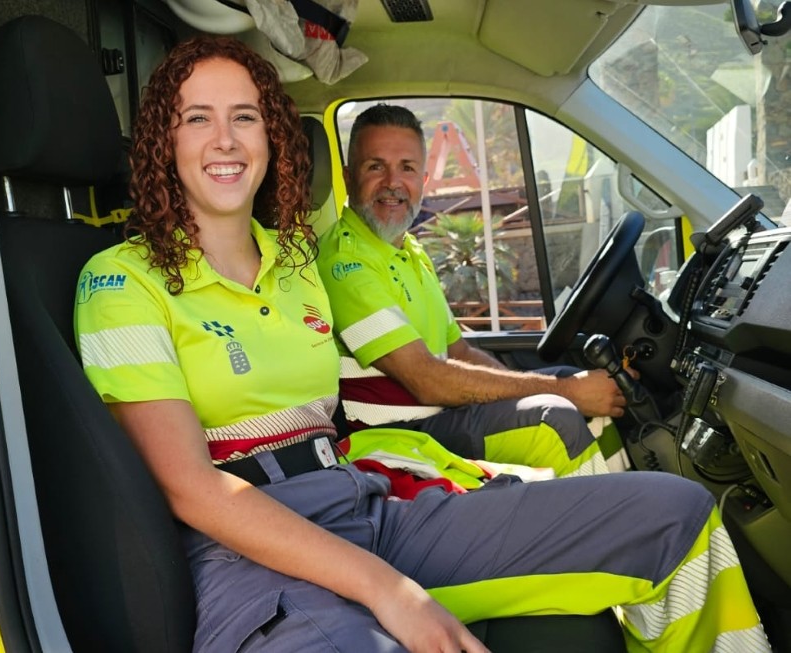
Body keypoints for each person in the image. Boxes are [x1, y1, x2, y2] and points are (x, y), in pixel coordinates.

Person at [74, 36, 769, 652]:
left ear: (272, 137)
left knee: (675, 517)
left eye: (244, 117)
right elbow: (192, 488)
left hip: (361, 502)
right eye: (197, 118)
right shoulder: (121, 282)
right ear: (163, 141)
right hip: (242, 549)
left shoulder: (296, 266)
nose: (224, 139)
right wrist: (391, 590)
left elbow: (400, 382)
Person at [317, 103, 623, 478]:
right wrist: (566, 392)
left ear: (423, 180)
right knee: (554, 419)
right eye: (375, 166)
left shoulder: (410, 251)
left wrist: (561, 387)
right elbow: (426, 379)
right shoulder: (344, 262)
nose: (393, 182)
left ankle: (634, 501)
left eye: (407, 168)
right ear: (348, 178)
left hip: (440, 422)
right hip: (396, 438)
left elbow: (459, 352)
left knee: (580, 389)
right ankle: (616, 524)